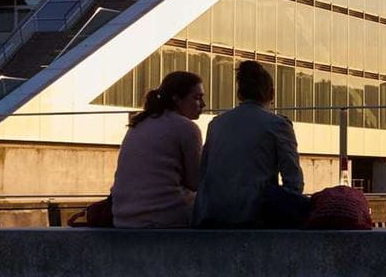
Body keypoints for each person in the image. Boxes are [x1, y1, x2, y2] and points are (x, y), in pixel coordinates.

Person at [193, 61, 308, 227]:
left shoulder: (216, 124)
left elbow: (203, 174)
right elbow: (294, 181)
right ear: (272, 93)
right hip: (254, 216)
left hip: (214, 214)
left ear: (240, 94)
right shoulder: (278, 125)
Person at [109, 71, 205, 228]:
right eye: (197, 98)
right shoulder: (187, 128)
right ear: (176, 99)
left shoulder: (139, 123)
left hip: (123, 216)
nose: (203, 104)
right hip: (165, 215)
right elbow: (195, 182)